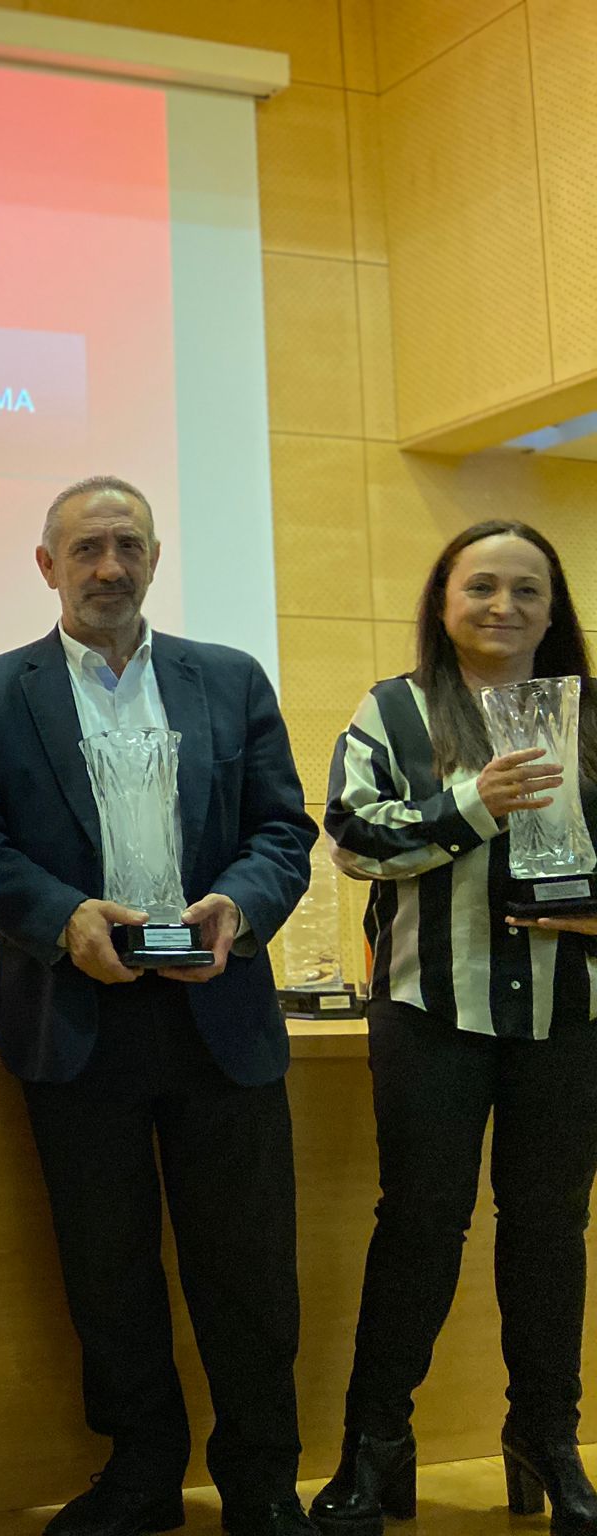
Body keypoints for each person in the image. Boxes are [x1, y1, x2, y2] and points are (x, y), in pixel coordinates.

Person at [0, 476, 317, 1536]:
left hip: (219, 1016)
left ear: (153, 558)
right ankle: (141, 1471)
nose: (108, 566)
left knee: (247, 1270)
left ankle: (259, 1479)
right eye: (86, 549)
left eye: (127, 545)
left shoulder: (228, 678)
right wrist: (63, 915)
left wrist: (236, 910)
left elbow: (280, 834)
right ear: (46, 566)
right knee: (106, 1271)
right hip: (75, 1016)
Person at [314, 520, 597, 1536]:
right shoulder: (390, 711)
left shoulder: (592, 717)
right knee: (419, 1230)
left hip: (569, 1016)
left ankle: (545, 1439)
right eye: (479, 586)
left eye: (526, 590)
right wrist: (472, 801)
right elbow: (351, 841)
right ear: (441, 601)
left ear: (552, 609)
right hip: (429, 1010)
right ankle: (372, 1450)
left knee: (549, 1235)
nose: (502, 607)